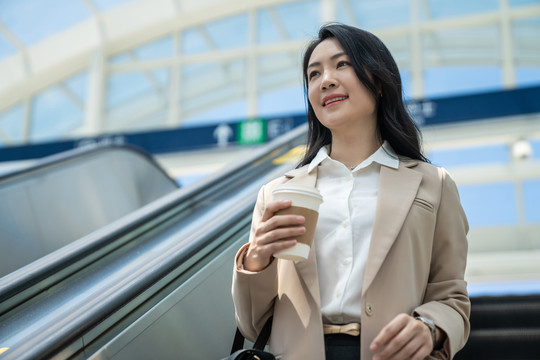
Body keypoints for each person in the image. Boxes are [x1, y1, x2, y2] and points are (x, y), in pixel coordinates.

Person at [232, 23, 470, 360]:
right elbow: (251, 325)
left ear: (379, 80)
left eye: (342, 64)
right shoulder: (278, 193)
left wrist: (430, 327)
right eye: (314, 74)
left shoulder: (434, 184)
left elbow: (452, 296)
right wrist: (256, 262)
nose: (325, 80)